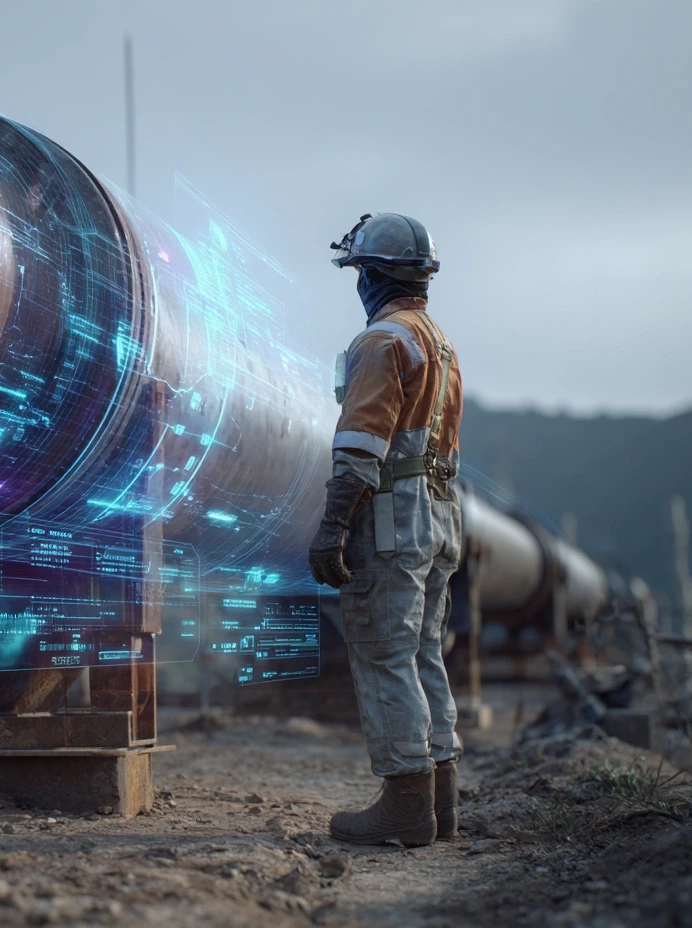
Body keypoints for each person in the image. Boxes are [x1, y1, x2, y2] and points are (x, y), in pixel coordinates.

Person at [308, 213, 464, 847]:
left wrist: (333, 528)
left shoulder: (381, 343)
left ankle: (405, 806)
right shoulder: (440, 346)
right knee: (423, 652)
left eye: (358, 273)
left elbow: (360, 448)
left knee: (383, 652)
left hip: (393, 518)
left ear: (370, 276)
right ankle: (441, 801)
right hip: (438, 514)